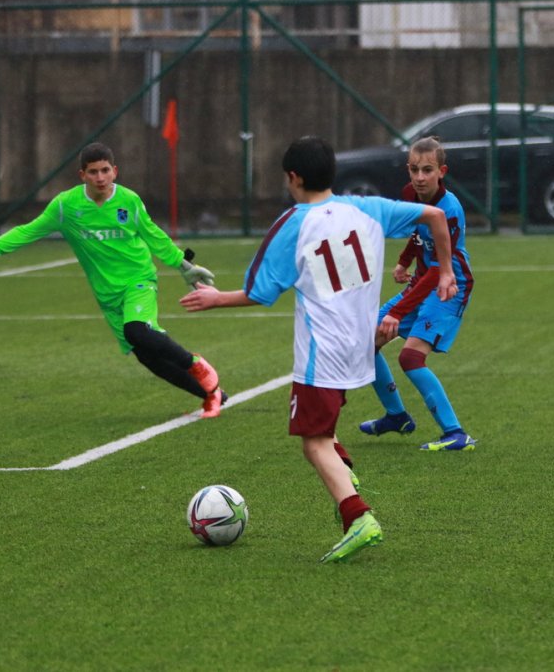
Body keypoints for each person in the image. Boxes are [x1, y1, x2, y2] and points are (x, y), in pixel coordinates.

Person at [180, 136, 457, 563]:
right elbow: (436, 216)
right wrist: (445, 272)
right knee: (324, 431)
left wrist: (215, 298)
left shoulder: (293, 223)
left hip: (322, 353)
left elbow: (259, 292)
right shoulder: (367, 208)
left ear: (293, 177)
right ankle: (346, 471)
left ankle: (357, 515)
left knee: (312, 442)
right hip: (363, 345)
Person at [0, 142, 227, 417]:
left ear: (115, 171)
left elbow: (155, 236)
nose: (100, 178)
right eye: (93, 172)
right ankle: (212, 395)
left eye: (105, 170)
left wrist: (183, 265)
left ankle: (196, 364)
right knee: (146, 355)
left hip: (138, 280)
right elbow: (28, 231)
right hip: (106, 292)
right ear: (82, 175)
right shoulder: (67, 206)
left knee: (137, 331)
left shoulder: (129, 201)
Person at [358, 137, 476, 452]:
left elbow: (441, 269)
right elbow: (417, 230)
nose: (419, 177)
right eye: (414, 169)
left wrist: (398, 312)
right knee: (365, 343)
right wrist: (404, 260)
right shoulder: (411, 194)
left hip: (448, 286)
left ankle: (456, 434)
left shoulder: (449, 210)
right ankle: (396, 416)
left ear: (442, 171)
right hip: (422, 281)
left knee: (410, 356)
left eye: (427, 170)